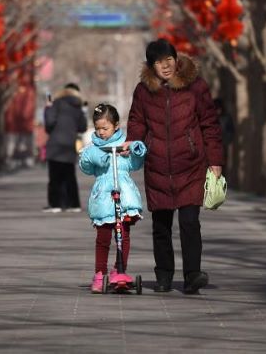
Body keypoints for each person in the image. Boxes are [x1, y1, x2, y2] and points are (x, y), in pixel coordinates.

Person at [123, 38, 224, 294]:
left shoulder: (195, 86)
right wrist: (132, 142)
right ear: (151, 66)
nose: (165, 66)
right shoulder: (143, 91)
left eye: (169, 59)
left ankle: (192, 275)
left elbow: (210, 124)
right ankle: (164, 275)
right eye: (159, 62)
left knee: (190, 222)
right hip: (157, 166)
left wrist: (215, 160)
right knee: (161, 225)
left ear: (176, 59)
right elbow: (136, 121)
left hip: (191, 166)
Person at [78, 103, 146, 293]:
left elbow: (135, 164)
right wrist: (97, 156)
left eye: (105, 128)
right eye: (98, 128)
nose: (101, 132)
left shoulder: (124, 143)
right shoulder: (93, 147)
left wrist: (136, 149)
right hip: (103, 198)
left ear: (116, 125)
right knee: (103, 237)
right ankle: (100, 273)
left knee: (123, 235)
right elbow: (86, 166)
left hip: (123, 196)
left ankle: (119, 270)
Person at [43, 83, 87, 213]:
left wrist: (47, 108)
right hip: (69, 144)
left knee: (55, 177)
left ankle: (56, 204)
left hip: (55, 145)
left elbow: (49, 123)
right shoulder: (78, 106)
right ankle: (73, 204)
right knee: (70, 176)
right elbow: (82, 127)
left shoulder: (56, 104)